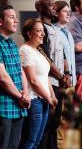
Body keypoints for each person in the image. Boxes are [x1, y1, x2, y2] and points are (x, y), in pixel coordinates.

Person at [0, 5, 30, 149]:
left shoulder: (12, 43)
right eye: (11, 17)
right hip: (2, 103)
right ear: (0, 21)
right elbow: (2, 77)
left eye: (16, 17)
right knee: (1, 146)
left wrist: (25, 93)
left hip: (18, 102)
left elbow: (21, 71)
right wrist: (21, 97)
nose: (16, 20)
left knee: (14, 146)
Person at [35, 0, 69, 149]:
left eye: (54, 5)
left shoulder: (55, 28)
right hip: (49, 83)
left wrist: (66, 74)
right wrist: (60, 76)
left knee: (55, 123)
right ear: (40, 8)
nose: (54, 8)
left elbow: (62, 54)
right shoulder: (40, 29)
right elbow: (45, 57)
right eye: (50, 5)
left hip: (60, 81)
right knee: (46, 124)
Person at [19, 18, 58, 149]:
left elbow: (45, 77)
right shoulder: (25, 50)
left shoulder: (38, 51)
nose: (43, 34)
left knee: (37, 140)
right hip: (34, 100)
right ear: (29, 33)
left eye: (43, 31)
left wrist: (52, 96)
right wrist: (48, 98)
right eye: (39, 31)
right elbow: (33, 80)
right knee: (30, 141)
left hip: (44, 100)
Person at [53, 0, 77, 148]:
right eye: (64, 11)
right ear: (56, 13)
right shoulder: (54, 32)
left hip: (72, 81)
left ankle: (66, 143)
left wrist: (74, 77)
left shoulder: (67, 31)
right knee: (61, 116)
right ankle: (60, 145)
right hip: (61, 80)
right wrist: (64, 76)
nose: (68, 13)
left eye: (69, 11)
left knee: (68, 116)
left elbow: (71, 57)